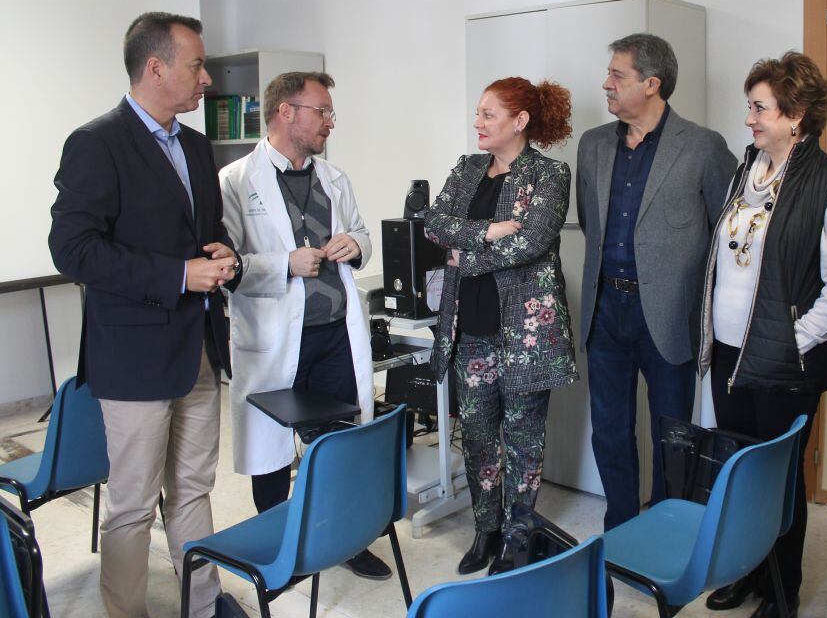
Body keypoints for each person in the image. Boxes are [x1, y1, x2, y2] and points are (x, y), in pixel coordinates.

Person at [49, 12, 246, 618]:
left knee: (193, 490)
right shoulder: (96, 141)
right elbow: (73, 250)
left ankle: (204, 604)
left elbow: (201, 232)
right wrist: (176, 275)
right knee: (133, 504)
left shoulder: (194, 143)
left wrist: (222, 253)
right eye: (196, 65)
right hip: (133, 357)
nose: (206, 77)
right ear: (155, 68)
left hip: (198, 348)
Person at [698, 51, 827, 617]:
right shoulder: (747, 170)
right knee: (739, 471)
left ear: (796, 115)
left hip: (786, 361)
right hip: (729, 353)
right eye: (750, 107)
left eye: (759, 107)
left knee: (781, 480)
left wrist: (792, 340)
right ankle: (746, 572)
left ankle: (781, 589)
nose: (749, 118)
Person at [218, 71, 392, 580]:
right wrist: (282, 264)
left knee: (338, 443)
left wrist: (356, 246)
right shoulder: (235, 180)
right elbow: (228, 265)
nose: (330, 122)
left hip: (335, 333)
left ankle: (346, 540)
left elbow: (359, 230)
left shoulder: (333, 178)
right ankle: (280, 545)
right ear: (286, 112)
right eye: (323, 111)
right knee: (271, 450)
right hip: (275, 339)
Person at [576, 33, 736, 531]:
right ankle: (622, 527)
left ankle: (668, 528)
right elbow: (590, 223)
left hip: (667, 314)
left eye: (617, 75)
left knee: (673, 433)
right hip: (605, 309)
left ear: (652, 83)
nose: (606, 83)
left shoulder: (704, 147)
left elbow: (725, 233)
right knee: (610, 430)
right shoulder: (594, 144)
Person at [426, 76, 578, 575]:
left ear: (520, 121)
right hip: (469, 328)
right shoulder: (468, 169)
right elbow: (432, 223)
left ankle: (517, 534)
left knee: (523, 438)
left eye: (488, 114)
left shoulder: (550, 174)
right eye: (478, 113)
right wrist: (487, 231)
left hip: (527, 336)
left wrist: (462, 257)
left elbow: (532, 242)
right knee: (476, 435)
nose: (478, 123)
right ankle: (485, 529)